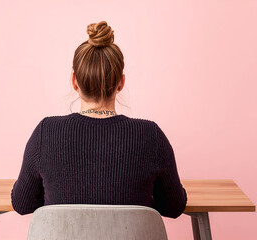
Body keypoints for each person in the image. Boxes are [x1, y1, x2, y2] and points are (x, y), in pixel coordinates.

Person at [11, 21, 187, 218]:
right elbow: (173, 207)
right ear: (121, 82)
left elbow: (22, 203)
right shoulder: (150, 135)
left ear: (74, 81)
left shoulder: (46, 132)